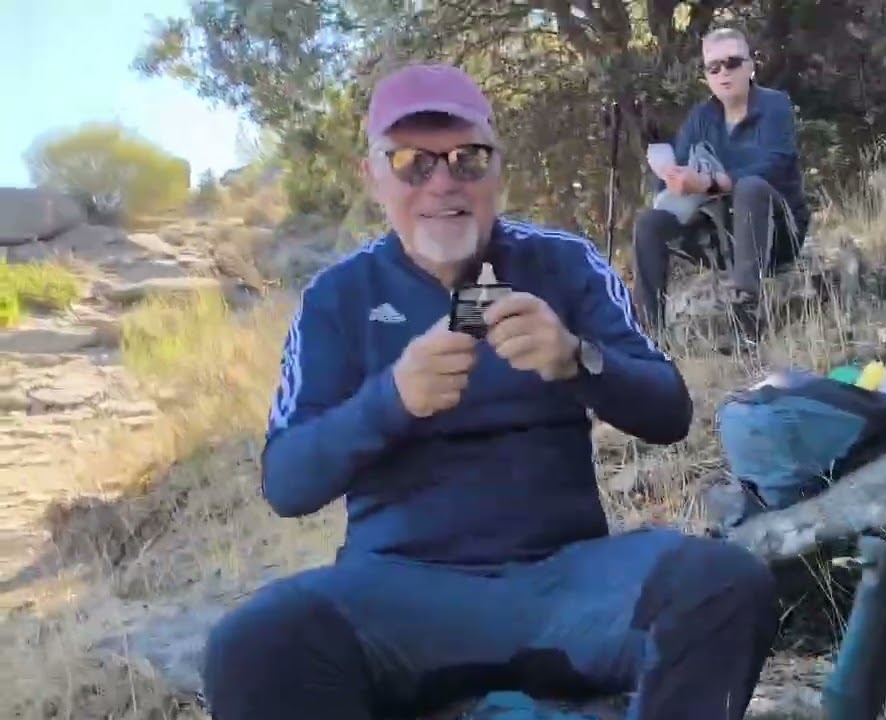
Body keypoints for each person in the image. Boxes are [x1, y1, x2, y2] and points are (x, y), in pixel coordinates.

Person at [199, 62, 780, 720]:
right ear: (373, 177)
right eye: (412, 162)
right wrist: (391, 400)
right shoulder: (338, 296)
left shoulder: (563, 262)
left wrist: (577, 360)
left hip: (568, 584)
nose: (442, 183)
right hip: (399, 597)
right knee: (253, 646)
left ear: (498, 167)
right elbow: (287, 481)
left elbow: (670, 411)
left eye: (467, 159)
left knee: (725, 585)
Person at [631, 27, 810, 348]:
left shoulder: (774, 105)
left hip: (777, 235)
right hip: (721, 240)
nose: (723, 73)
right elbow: (673, 176)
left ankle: (747, 321)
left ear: (750, 66)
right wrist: (672, 179)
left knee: (751, 187)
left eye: (732, 63)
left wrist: (711, 182)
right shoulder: (701, 117)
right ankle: (648, 336)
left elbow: (775, 165)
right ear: (706, 75)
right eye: (713, 67)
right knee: (649, 223)